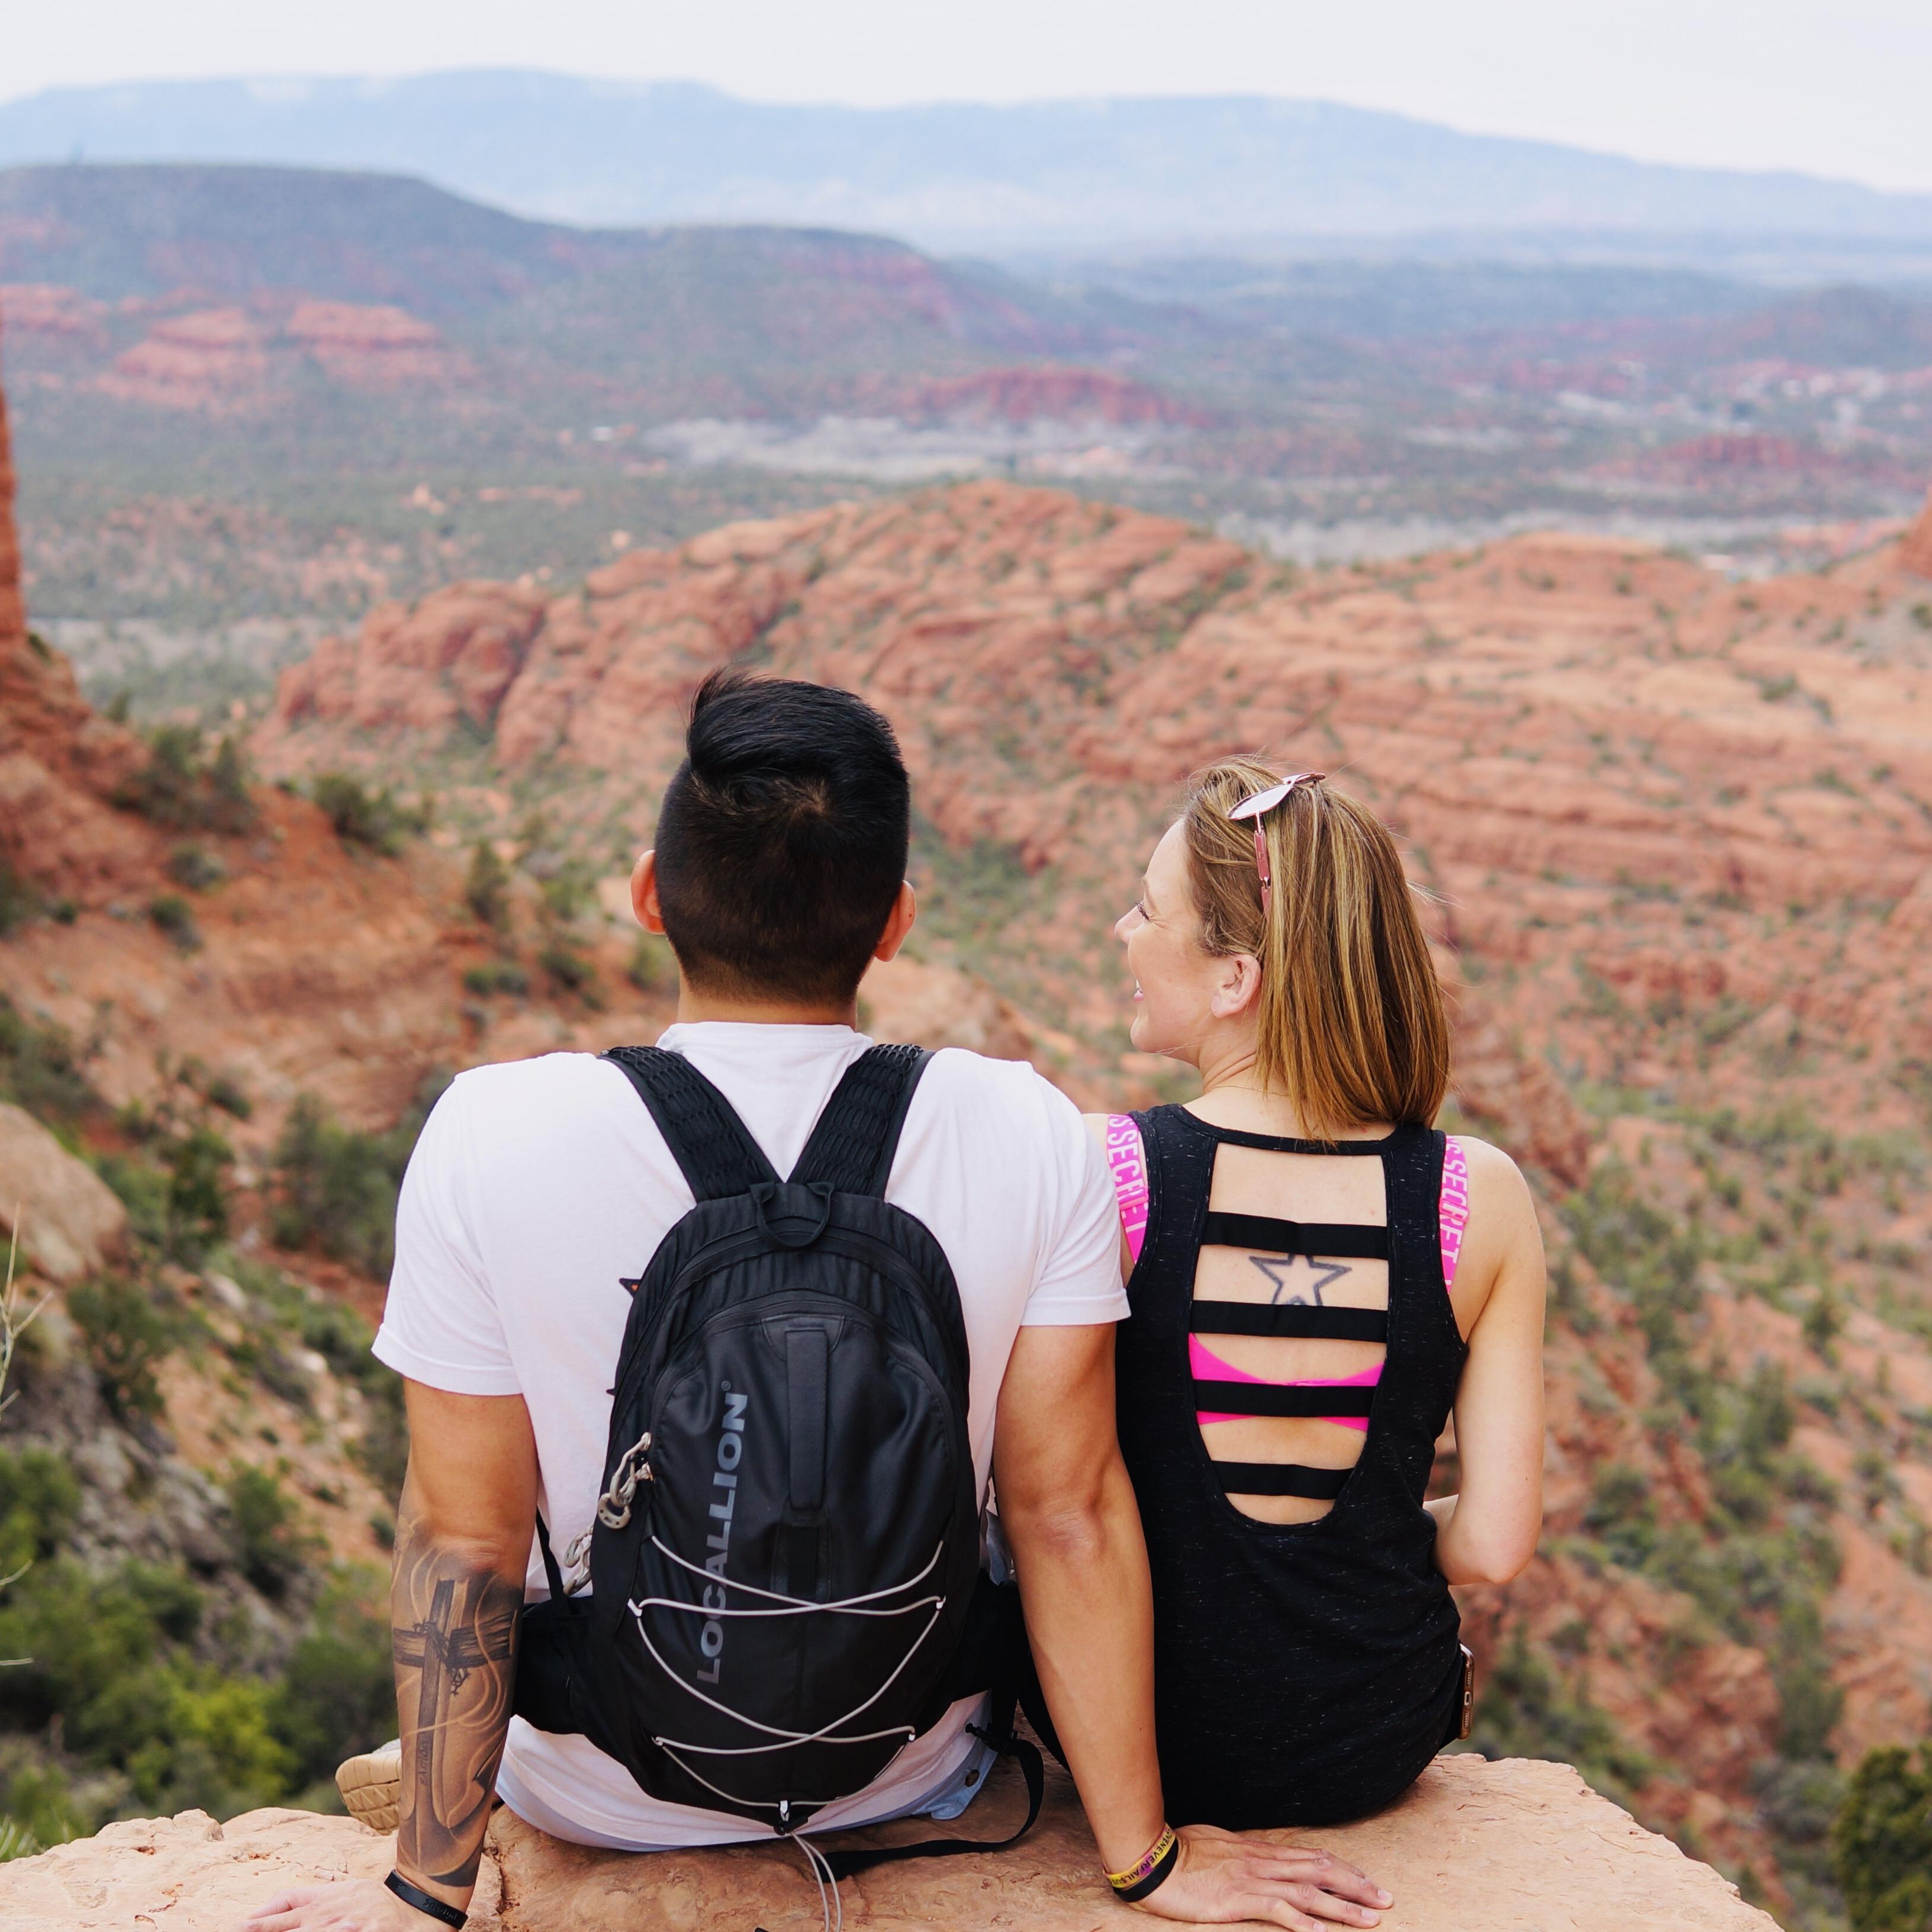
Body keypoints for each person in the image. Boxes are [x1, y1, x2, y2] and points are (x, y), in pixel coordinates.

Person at [247, 678, 1392, 1932]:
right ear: (895, 921)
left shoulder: (491, 1131)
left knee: (453, 1509)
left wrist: (423, 1893)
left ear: (649, 895)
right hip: (905, 1765)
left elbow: (462, 1543)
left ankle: (429, 1848)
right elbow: (1067, 1515)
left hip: (595, 1789)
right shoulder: (1029, 1131)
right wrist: (1148, 1859)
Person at [1086, 760, 1544, 1830]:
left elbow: (1051, 1509)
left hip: (1144, 1741)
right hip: (1371, 1742)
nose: (1123, 932)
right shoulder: (1477, 1195)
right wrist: (1359, 1528)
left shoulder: (1113, 1175)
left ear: (1234, 978)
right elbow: (1493, 1544)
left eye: (1147, 910)